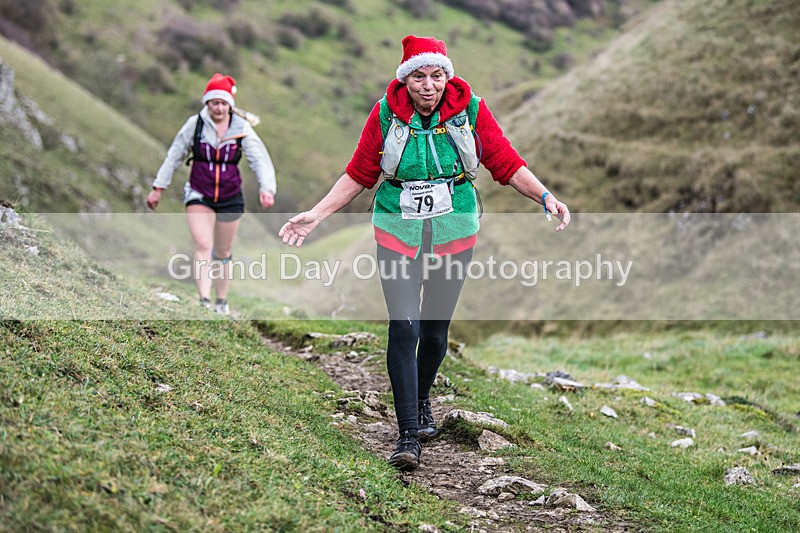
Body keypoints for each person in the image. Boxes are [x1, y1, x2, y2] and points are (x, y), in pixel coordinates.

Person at [279, 35, 570, 471]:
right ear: (406, 79)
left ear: (447, 77)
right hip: (397, 228)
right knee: (404, 326)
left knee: (435, 334)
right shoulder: (384, 114)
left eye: (436, 76)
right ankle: (407, 433)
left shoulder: (471, 109)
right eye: (419, 77)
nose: (429, 86)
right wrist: (316, 214)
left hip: (454, 229)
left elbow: (504, 162)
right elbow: (359, 173)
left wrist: (546, 196)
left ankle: (420, 398)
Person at [147, 73, 277, 314]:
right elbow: (174, 155)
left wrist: (266, 188)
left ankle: (222, 301)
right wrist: (158, 188)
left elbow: (259, 158)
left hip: (230, 196)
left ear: (230, 104)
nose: (218, 107)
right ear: (207, 103)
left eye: (223, 103)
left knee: (223, 251)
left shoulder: (241, 127)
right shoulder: (195, 125)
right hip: (199, 192)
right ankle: (204, 300)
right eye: (214, 102)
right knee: (203, 244)